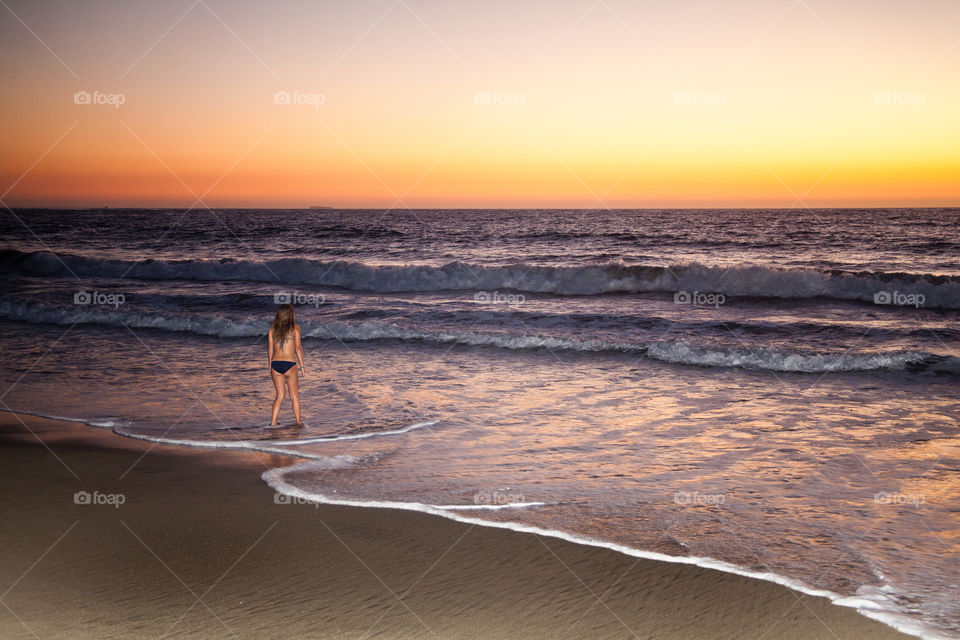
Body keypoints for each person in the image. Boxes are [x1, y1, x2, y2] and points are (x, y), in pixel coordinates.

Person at [268, 304, 306, 426]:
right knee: (294, 395)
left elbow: (270, 349)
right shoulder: (296, 328)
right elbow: (298, 349)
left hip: (275, 364)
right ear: (291, 315)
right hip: (290, 364)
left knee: (279, 396)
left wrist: (269, 365)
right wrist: (302, 367)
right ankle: (299, 422)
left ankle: (273, 423)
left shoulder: (272, 329)